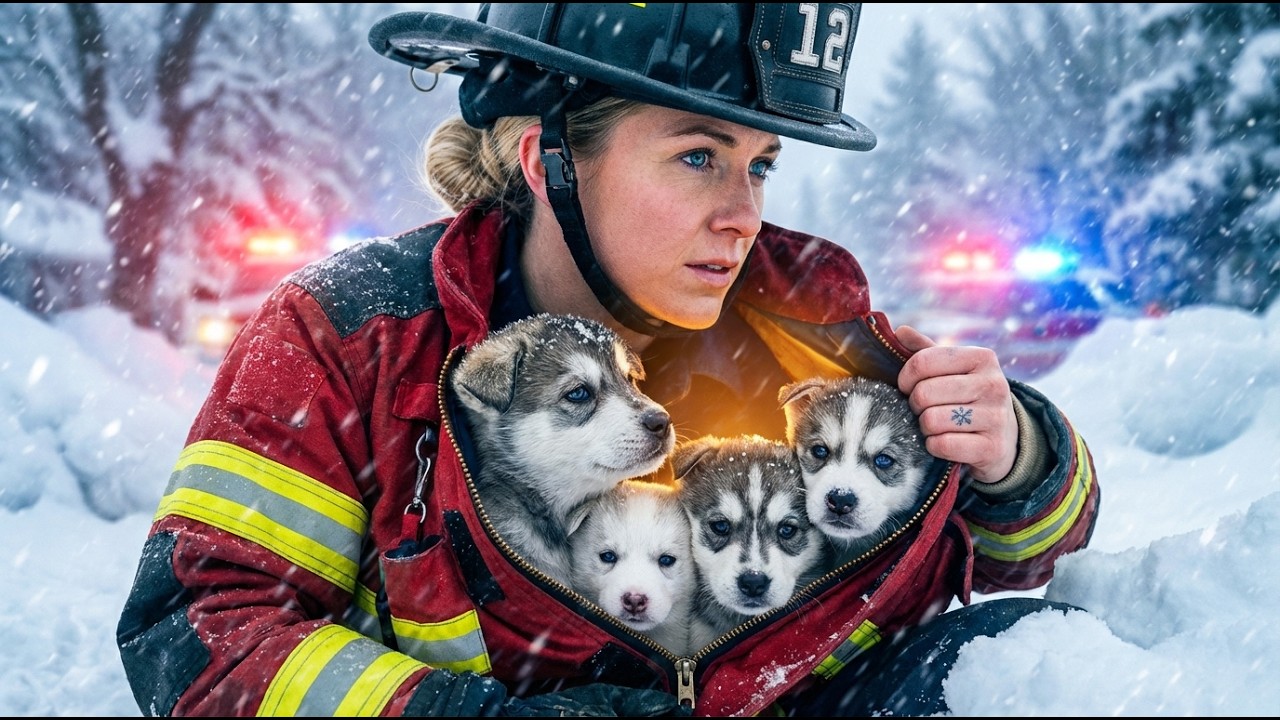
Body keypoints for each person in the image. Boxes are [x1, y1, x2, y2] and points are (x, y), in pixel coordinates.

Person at [116, 3, 1099, 717]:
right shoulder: (356, 340)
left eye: (761, 164)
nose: (742, 214)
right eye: (697, 157)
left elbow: (1013, 556)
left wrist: (1015, 455)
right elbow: (203, 628)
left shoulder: (824, 341)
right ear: (550, 159)